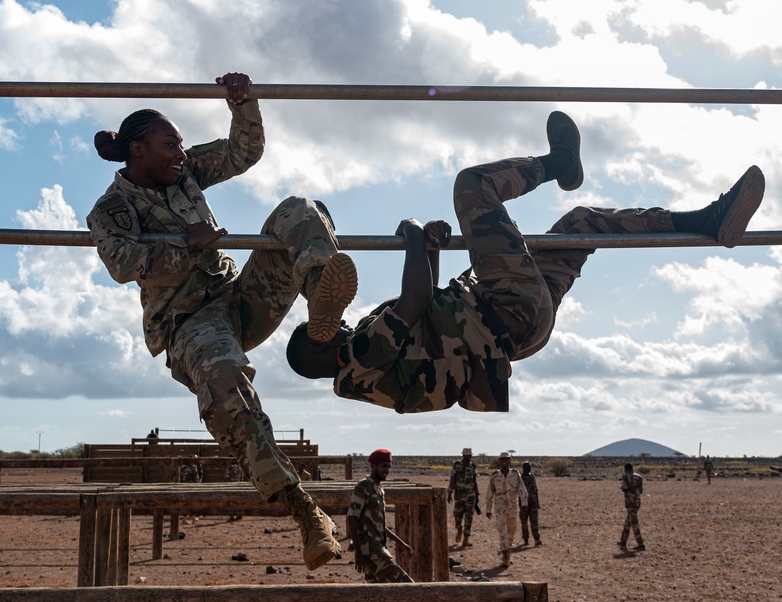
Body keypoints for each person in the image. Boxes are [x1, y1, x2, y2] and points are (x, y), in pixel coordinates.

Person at [286, 111, 765, 420]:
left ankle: (707, 220)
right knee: (471, 185)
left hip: (521, 327)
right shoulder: (358, 359)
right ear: (321, 351)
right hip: (505, 304)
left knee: (581, 224)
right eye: (326, 328)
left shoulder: (370, 367)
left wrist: (429, 247)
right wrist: (411, 232)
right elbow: (413, 300)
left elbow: (425, 307)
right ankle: (556, 164)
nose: (342, 321)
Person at [87, 72, 356, 570]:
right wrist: (183, 245)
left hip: (239, 297)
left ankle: (322, 303)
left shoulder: (185, 171)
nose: (180, 153)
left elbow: (241, 152)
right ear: (138, 149)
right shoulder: (110, 208)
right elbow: (123, 264)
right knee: (227, 383)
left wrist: (242, 102)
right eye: (170, 144)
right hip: (189, 320)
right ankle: (306, 513)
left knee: (300, 209)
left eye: (182, 145)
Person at [346, 449, 413, 583]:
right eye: (383, 466)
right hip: (372, 551)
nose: (386, 470)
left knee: (377, 593)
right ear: (373, 466)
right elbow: (351, 518)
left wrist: (402, 543)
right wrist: (358, 553)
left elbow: (380, 525)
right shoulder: (363, 487)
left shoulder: (379, 490)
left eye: (388, 466)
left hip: (378, 548)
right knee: (407, 585)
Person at [485, 452, 528, 567]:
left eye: (507, 459)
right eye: (502, 459)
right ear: (499, 461)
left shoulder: (515, 475)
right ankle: (505, 555)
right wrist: (488, 509)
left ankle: (508, 549)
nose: (504, 461)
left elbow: (522, 489)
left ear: (510, 461)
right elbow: (490, 492)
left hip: (513, 506)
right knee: (502, 529)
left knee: (512, 530)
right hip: (500, 507)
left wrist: (524, 503)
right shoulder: (495, 476)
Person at [447, 446, 480, 547]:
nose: (467, 458)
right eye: (466, 456)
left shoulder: (472, 467)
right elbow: (453, 479)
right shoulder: (457, 466)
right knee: (457, 515)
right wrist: (449, 492)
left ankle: (466, 538)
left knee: (469, 516)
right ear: (463, 455)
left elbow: (475, 481)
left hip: (470, 495)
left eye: (469, 456)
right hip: (459, 495)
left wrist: (477, 494)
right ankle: (459, 529)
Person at [618, 462, 645, 551]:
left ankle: (641, 544)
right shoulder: (639, 477)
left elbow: (625, 488)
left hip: (630, 502)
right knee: (628, 522)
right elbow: (640, 490)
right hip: (637, 502)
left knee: (634, 523)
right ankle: (623, 541)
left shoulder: (625, 476)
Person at [520, 461, 542, 546]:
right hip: (523, 504)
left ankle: (537, 539)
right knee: (524, 522)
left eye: (529, 467)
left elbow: (535, 490)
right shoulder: (520, 478)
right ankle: (526, 539)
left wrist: (537, 502)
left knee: (534, 522)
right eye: (526, 467)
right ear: (523, 468)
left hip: (533, 503)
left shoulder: (532, 477)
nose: (528, 468)